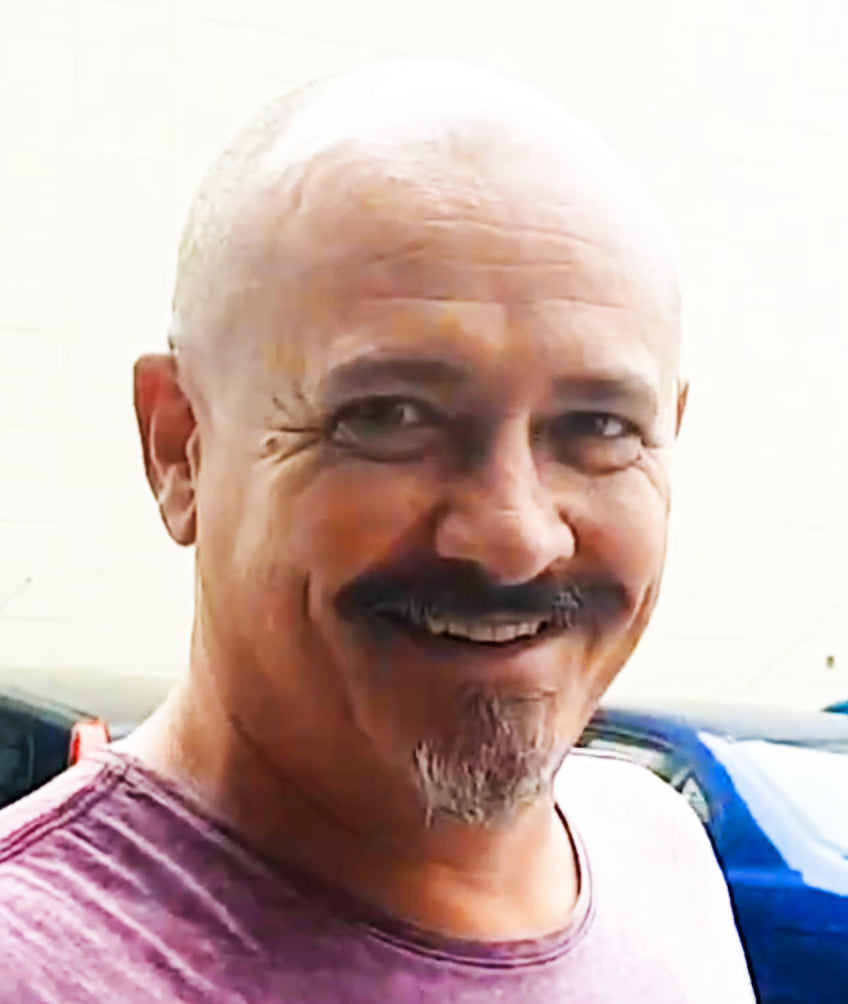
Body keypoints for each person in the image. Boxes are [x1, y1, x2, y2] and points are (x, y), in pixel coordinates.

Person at [0, 59, 755, 1002]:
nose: (515, 537)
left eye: (599, 427)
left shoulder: (656, 854)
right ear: (181, 448)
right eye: (391, 417)